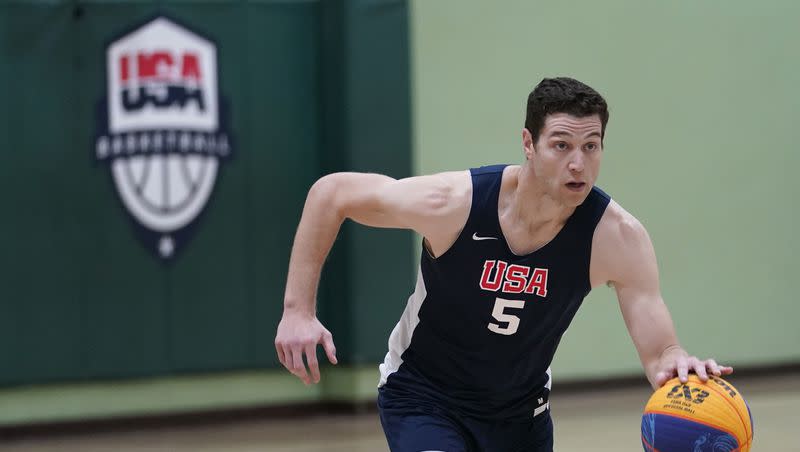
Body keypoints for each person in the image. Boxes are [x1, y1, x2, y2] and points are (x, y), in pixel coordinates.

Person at [274, 77, 733, 451]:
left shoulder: (617, 237)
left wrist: (679, 366)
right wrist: (298, 309)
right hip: (425, 395)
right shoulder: (454, 203)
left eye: (592, 146)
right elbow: (331, 193)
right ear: (528, 144)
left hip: (520, 415)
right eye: (561, 145)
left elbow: (660, 352)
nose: (579, 163)